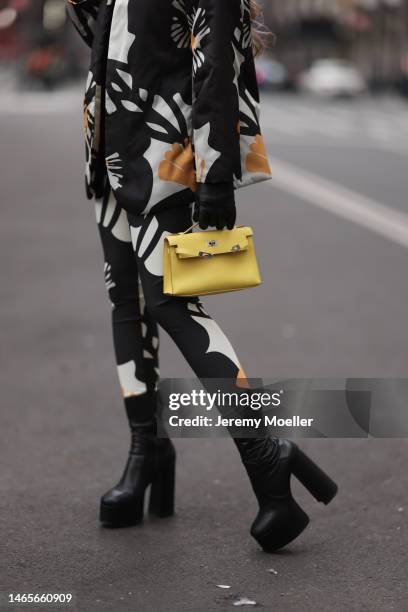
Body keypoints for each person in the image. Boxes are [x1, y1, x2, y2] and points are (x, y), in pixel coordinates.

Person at [66, 0, 338, 552]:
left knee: (171, 302)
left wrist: (216, 170)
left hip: (166, 150)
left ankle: (265, 452)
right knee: (126, 302)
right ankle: (148, 453)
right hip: (110, 143)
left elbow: (213, 52)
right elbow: (99, 28)